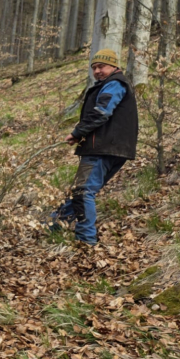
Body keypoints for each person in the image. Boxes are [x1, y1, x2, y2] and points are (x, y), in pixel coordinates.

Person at [51, 49, 138, 246]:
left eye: (102, 67)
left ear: (114, 66)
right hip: (112, 149)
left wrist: (77, 132)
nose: (98, 71)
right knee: (82, 191)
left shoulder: (114, 84)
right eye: (94, 68)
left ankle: (86, 241)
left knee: (83, 192)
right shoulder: (111, 84)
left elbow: (101, 112)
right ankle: (54, 225)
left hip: (102, 149)